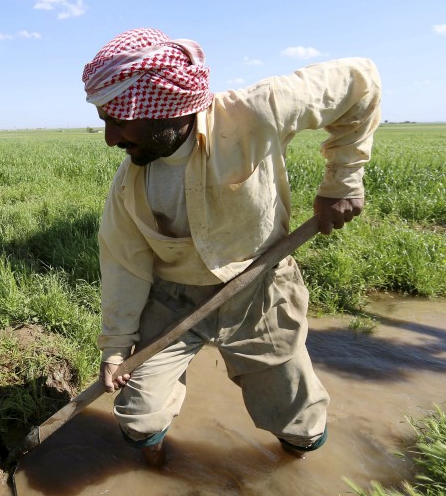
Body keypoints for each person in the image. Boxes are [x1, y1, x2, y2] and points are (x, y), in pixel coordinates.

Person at [82, 28, 381, 466]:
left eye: (120, 121)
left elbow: (361, 81)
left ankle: (291, 478)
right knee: (140, 416)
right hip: (173, 298)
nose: (111, 139)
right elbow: (124, 265)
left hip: (258, 288)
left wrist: (343, 181)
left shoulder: (254, 113)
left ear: (168, 109)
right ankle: (155, 469)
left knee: (296, 419)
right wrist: (115, 347)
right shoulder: (129, 186)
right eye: (106, 121)